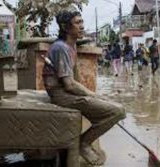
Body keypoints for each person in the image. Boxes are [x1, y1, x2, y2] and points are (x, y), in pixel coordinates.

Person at [42, 10, 125, 166]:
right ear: (66, 27)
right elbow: (69, 84)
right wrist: (94, 96)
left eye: (82, 22)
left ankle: (85, 141)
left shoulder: (70, 45)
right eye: (77, 23)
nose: (82, 26)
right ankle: (83, 143)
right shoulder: (61, 48)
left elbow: (74, 80)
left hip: (65, 92)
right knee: (118, 111)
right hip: (61, 94)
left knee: (109, 107)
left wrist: (93, 96)